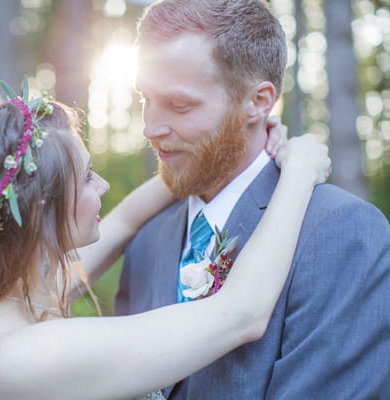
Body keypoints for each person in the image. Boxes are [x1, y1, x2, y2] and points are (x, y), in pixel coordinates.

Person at [0, 83, 329, 400]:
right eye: (86, 178)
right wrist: (301, 168)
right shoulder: (19, 358)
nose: (102, 185)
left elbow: (124, 221)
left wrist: (234, 144)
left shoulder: (8, 303)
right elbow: (241, 315)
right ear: (40, 212)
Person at [115, 0, 390, 399]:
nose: (150, 128)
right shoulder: (145, 242)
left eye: (179, 105)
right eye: (145, 99)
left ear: (260, 101)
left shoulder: (343, 234)